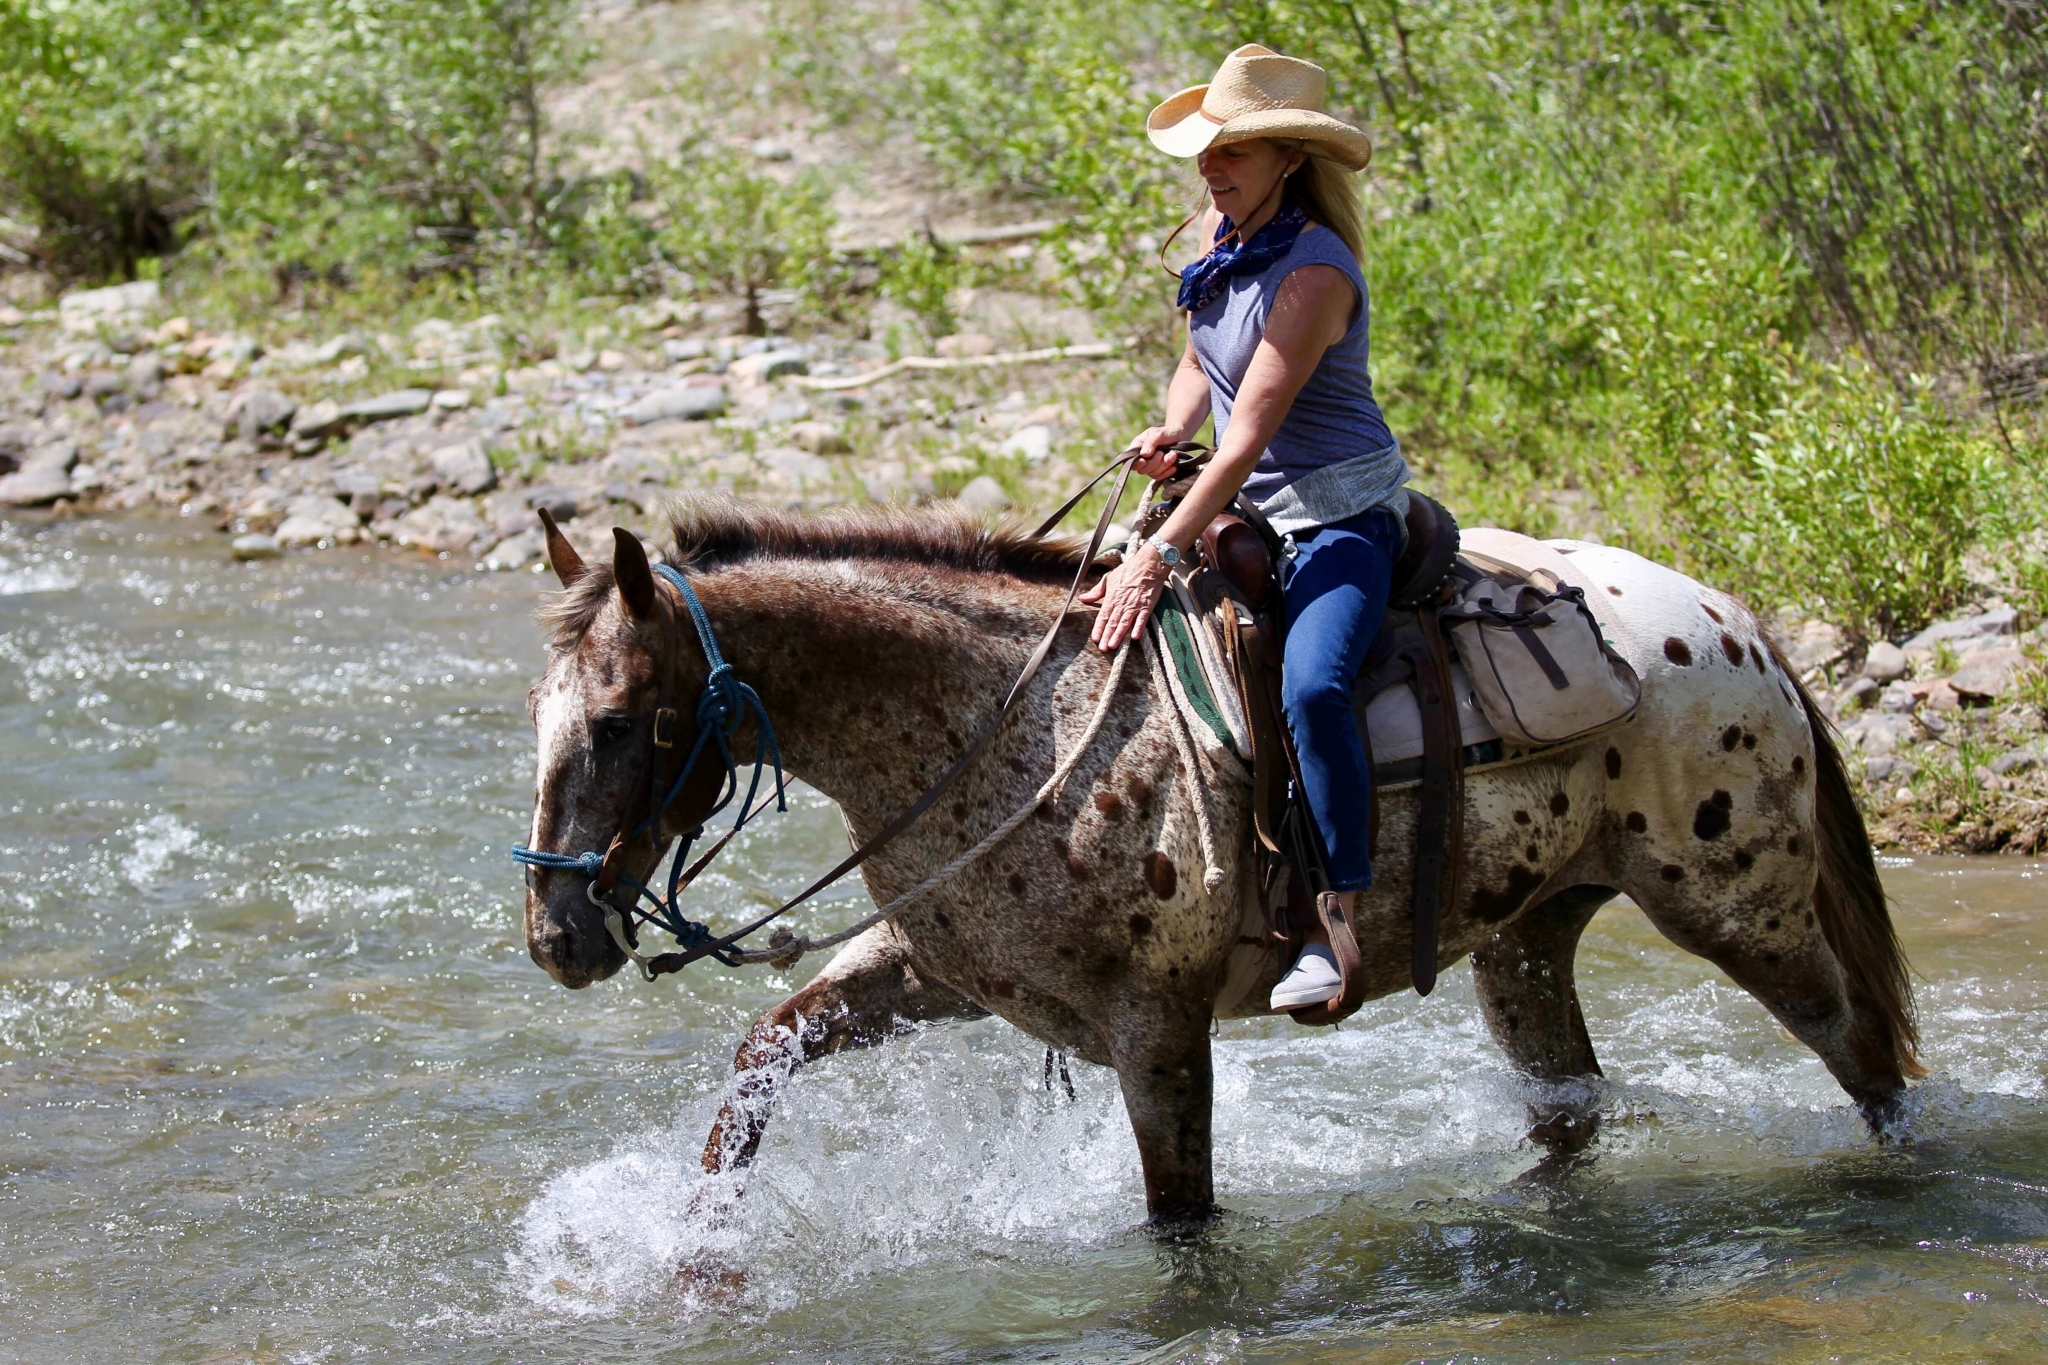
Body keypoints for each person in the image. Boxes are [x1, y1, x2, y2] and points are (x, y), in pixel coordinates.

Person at [1081, 44, 1408, 1012]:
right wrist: (1171, 423)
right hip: (1252, 504)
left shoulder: (1312, 272)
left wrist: (1154, 552)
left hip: (1338, 513)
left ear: (1287, 161)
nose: (1213, 169)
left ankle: (1331, 917)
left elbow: (1247, 438)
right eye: (1208, 153)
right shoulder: (1220, 245)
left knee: (1312, 688)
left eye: (1237, 152)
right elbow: (1201, 360)